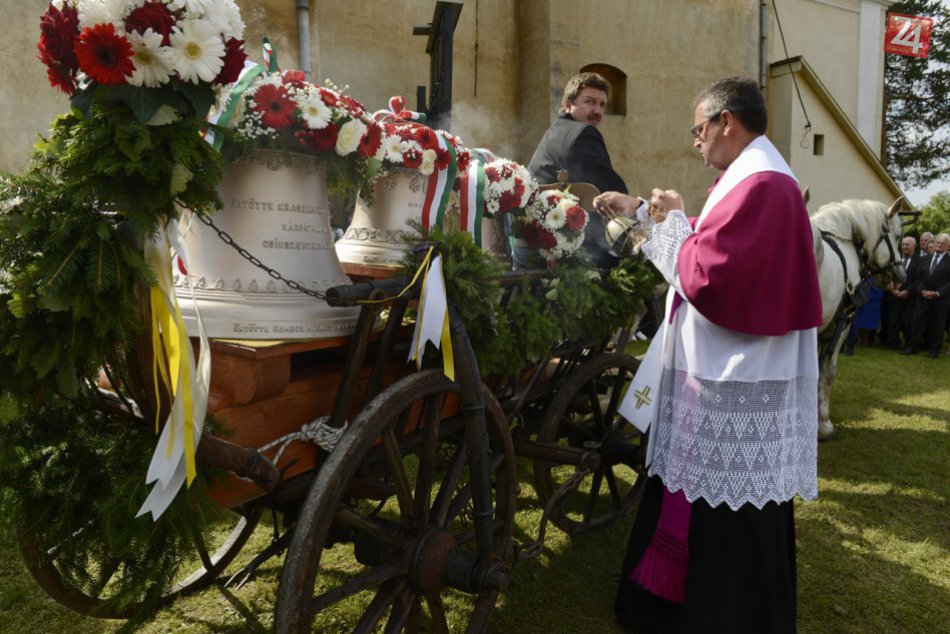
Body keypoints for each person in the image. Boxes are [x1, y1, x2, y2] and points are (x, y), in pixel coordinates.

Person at [596, 77, 822, 633]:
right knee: (699, 490)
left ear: (727, 122)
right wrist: (657, 216)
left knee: (726, 504)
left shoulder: (764, 183)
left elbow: (712, 275)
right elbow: (712, 242)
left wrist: (663, 227)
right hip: (725, 364)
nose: (696, 143)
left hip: (734, 372)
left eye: (699, 130)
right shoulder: (747, 177)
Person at [519, 72, 629, 268]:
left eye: (602, 104)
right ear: (568, 105)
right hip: (564, 257)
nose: (597, 110)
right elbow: (616, 193)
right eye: (589, 102)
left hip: (532, 246)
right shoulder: (583, 133)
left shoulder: (555, 132)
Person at [905, 232, 950, 358]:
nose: (939, 245)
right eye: (938, 242)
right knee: (917, 323)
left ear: (948, 246)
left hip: (941, 300)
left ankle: (934, 350)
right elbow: (917, 278)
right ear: (934, 243)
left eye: (943, 243)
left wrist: (937, 293)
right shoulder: (924, 259)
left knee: (938, 326)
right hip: (922, 297)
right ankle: (912, 347)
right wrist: (922, 290)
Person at [883, 236, 921, 349]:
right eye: (903, 244)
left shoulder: (920, 260)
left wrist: (907, 291)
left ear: (914, 246)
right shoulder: (895, 258)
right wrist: (894, 290)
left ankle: (909, 343)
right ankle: (893, 343)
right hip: (894, 295)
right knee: (893, 320)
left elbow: (919, 279)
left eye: (907, 244)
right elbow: (888, 274)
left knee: (909, 321)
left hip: (910, 296)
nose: (904, 246)